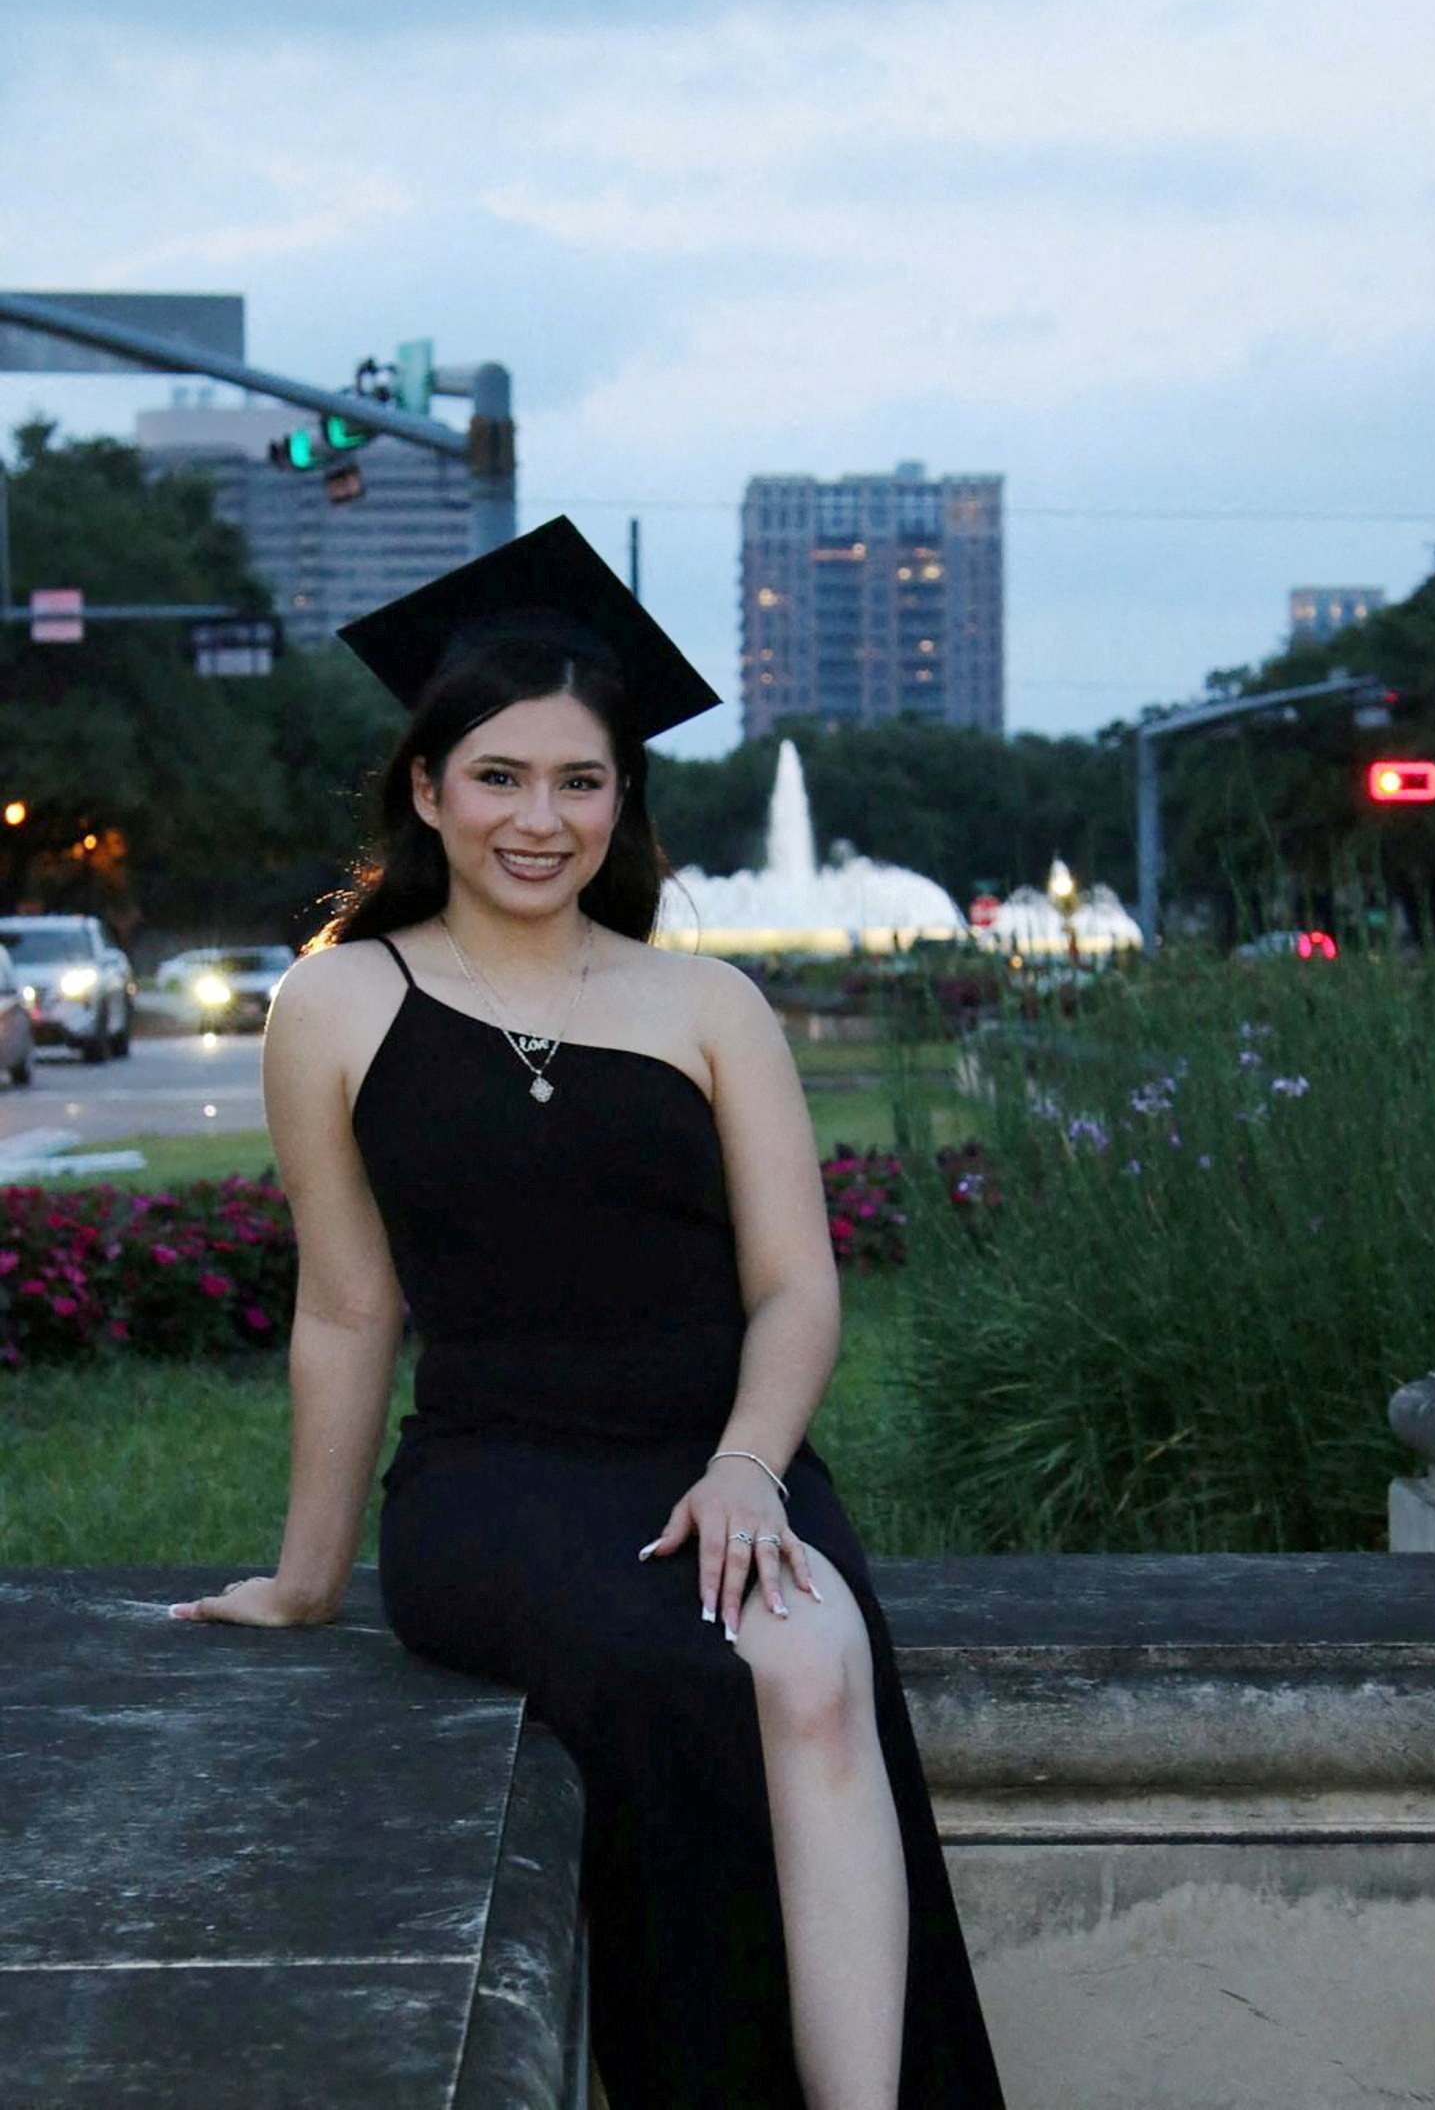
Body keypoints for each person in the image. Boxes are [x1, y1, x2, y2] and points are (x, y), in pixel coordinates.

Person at [169, 518, 1006, 2109]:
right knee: (680, 1676)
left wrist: (750, 1469)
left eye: (579, 779)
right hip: (499, 1476)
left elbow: (792, 1285)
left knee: (818, 1670)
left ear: (623, 797)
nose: (536, 818)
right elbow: (348, 1313)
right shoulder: (338, 1003)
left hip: (719, 1452)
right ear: (425, 789)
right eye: (498, 775)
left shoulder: (709, 1004)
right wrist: (302, 1578)